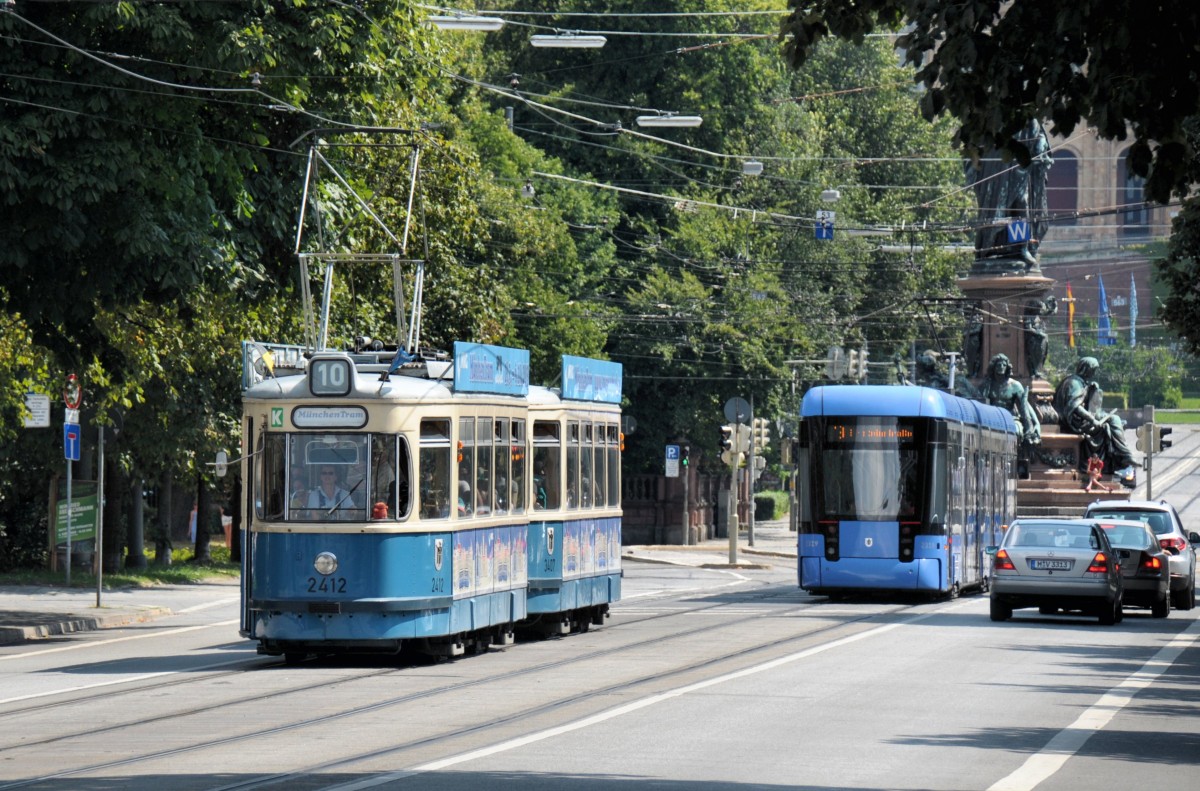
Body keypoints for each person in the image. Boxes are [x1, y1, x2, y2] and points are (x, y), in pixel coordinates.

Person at [1053, 356, 1137, 475]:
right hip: (1073, 423)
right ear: (1086, 369)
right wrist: (1093, 420)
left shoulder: (1079, 382)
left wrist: (1091, 390)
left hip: (1079, 421)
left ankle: (1124, 455)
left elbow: (1089, 406)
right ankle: (1124, 455)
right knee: (1111, 422)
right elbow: (1075, 407)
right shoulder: (1074, 383)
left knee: (1113, 420)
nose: (1094, 373)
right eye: (1093, 370)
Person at [978, 353, 1041, 448]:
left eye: (1004, 365)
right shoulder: (986, 385)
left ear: (1007, 367)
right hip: (991, 418)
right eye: (998, 365)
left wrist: (1036, 423)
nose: (1001, 367)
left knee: (1016, 431)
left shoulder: (1015, 385)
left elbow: (1025, 405)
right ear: (993, 367)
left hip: (1011, 418)